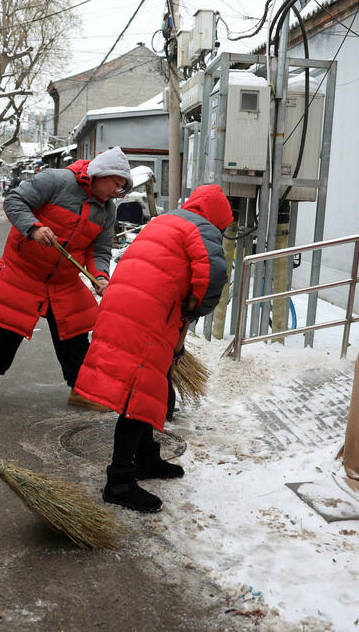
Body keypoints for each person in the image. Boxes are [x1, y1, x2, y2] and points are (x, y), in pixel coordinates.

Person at [73, 184, 234, 513]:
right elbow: (215, 275)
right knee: (137, 395)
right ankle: (119, 481)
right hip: (146, 317)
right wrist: (194, 309)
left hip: (123, 305)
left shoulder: (165, 221)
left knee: (149, 390)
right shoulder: (202, 228)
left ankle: (146, 457)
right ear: (217, 217)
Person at [0, 147, 132, 408]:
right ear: (101, 173)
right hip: (24, 269)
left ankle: (80, 389)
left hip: (63, 280)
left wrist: (100, 276)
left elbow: (99, 250)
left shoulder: (106, 210)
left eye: (121, 187)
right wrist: (33, 228)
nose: (116, 191)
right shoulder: (56, 181)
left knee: (75, 333)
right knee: (6, 330)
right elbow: (14, 201)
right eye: (115, 183)